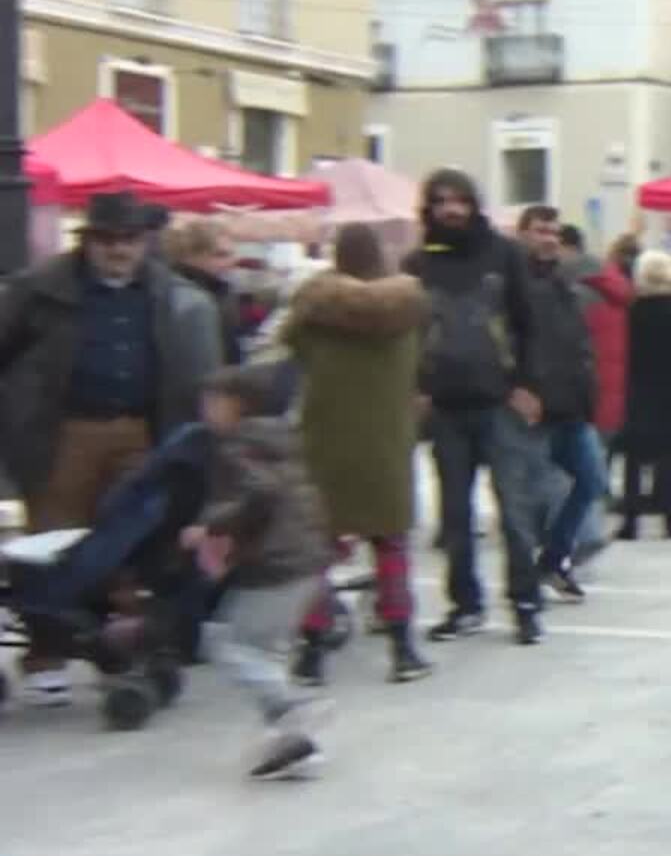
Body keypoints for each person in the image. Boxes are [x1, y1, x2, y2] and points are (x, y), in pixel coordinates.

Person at [0, 190, 223, 706]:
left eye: (129, 240)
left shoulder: (169, 293)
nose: (118, 250)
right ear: (89, 240)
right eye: (107, 239)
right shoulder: (39, 289)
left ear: (145, 242)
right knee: (51, 542)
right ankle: (46, 655)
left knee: (130, 539)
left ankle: (119, 649)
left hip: (140, 429)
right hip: (63, 430)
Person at [282, 223, 433, 686]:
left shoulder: (313, 311)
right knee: (390, 546)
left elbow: (290, 347)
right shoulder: (411, 310)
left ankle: (312, 651)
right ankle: (402, 647)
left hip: (325, 439)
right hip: (387, 442)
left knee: (318, 553)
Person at [403, 169, 546, 647]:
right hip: (445, 406)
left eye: (460, 200)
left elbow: (531, 323)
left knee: (514, 512)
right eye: (441, 201)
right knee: (455, 517)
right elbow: (408, 337)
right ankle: (465, 605)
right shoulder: (419, 263)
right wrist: (415, 387)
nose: (451, 209)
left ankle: (526, 604)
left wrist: (527, 383)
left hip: (499, 402)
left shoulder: (504, 255)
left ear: (473, 204)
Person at [182, 364, 334, 780]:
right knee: (267, 651)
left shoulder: (239, 445)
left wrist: (210, 527)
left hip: (276, 564)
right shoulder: (280, 438)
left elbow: (261, 493)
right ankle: (297, 748)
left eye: (213, 402)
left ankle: (293, 706)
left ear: (239, 406)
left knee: (225, 641)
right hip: (303, 559)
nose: (206, 410)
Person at [515, 206, 606, 602]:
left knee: (592, 480)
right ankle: (525, 583)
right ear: (523, 234)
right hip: (533, 408)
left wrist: (587, 391)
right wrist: (518, 388)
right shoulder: (512, 284)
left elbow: (576, 343)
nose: (549, 238)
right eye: (540, 231)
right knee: (527, 497)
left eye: (553, 231)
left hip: (570, 405)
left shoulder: (562, 283)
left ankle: (553, 559)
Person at [619, 251, 671, 539]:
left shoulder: (632, 311)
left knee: (633, 459)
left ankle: (630, 521)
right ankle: (670, 520)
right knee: (669, 459)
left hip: (638, 388)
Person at [581, 235, 635, 557]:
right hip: (619, 384)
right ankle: (602, 501)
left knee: (586, 458)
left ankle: (588, 526)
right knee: (604, 449)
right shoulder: (626, 297)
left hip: (591, 385)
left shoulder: (585, 296)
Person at [164, 217, 245, 365]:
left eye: (232, 254)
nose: (232, 262)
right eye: (220, 255)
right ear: (190, 256)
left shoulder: (221, 291)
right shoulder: (176, 295)